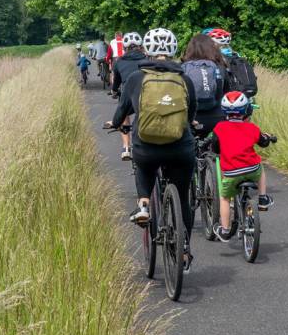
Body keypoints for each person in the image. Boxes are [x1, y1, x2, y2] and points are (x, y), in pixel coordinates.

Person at [105, 27, 197, 272]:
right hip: (180, 147)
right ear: (174, 49)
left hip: (146, 146)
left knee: (143, 166)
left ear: (147, 49)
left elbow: (123, 110)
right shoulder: (184, 78)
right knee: (183, 196)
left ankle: (144, 204)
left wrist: (115, 123)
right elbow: (191, 112)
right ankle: (184, 250)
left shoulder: (137, 78)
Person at [208, 91, 276, 242]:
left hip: (232, 173)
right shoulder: (252, 128)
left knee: (225, 198)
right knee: (260, 167)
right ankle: (263, 198)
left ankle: (225, 230)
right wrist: (267, 137)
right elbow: (264, 142)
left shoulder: (219, 128)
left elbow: (215, 148)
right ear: (246, 109)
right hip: (252, 170)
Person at [181, 33, 227, 142]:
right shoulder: (219, 67)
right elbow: (224, 93)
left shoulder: (182, 67)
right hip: (216, 118)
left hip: (191, 119)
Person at [110, 32, 145, 160]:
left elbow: (116, 83)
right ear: (140, 47)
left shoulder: (119, 62)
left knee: (124, 112)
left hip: (128, 95)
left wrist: (114, 91)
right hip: (145, 95)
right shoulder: (147, 59)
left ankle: (126, 147)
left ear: (125, 48)